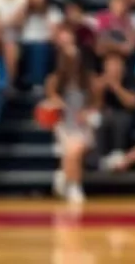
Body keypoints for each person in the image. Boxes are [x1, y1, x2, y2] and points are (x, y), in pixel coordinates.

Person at [44, 27, 99, 204]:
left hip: (83, 124)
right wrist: (57, 103)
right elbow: (50, 101)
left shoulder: (89, 79)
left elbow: (96, 103)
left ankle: (65, 177)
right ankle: (74, 185)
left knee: (74, 151)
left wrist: (87, 112)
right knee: (71, 151)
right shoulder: (53, 80)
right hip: (63, 123)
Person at [95, 51, 135, 170]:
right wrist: (99, 90)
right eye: (109, 65)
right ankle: (100, 157)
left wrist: (116, 86)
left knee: (121, 119)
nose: (113, 68)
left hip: (127, 114)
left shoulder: (130, 79)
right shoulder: (99, 81)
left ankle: (118, 154)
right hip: (104, 115)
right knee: (98, 120)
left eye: (116, 65)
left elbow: (132, 103)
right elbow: (95, 106)